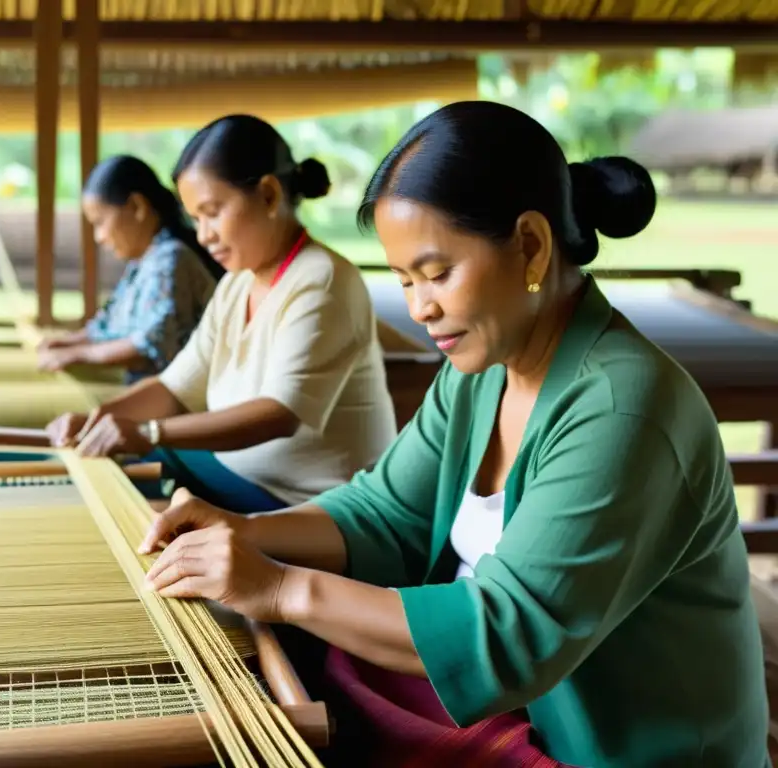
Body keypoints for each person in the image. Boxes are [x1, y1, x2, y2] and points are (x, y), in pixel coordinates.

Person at [133, 102, 770, 767]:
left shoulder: (620, 409)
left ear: (530, 245)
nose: (419, 307)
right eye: (405, 280)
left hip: (608, 749)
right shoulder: (484, 370)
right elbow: (387, 510)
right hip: (522, 717)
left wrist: (279, 589)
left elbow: (506, 636)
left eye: (437, 274)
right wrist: (243, 531)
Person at [47, 115, 398, 513]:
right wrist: (98, 420)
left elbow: (279, 415)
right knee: (91, 467)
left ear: (268, 194)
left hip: (309, 506)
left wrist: (148, 432)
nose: (203, 235)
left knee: (128, 489)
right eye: (195, 218)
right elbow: (175, 388)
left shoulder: (323, 280)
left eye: (213, 212)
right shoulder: (238, 283)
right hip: (239, 480)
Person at [36, 155, 224, 384]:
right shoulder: (145, 262)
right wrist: (70, 343)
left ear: (137, 207)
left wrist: (80, 354)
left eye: (100, 222)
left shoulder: (171, 259)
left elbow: (150, 345)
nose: (99, 237)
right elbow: (109, 324)